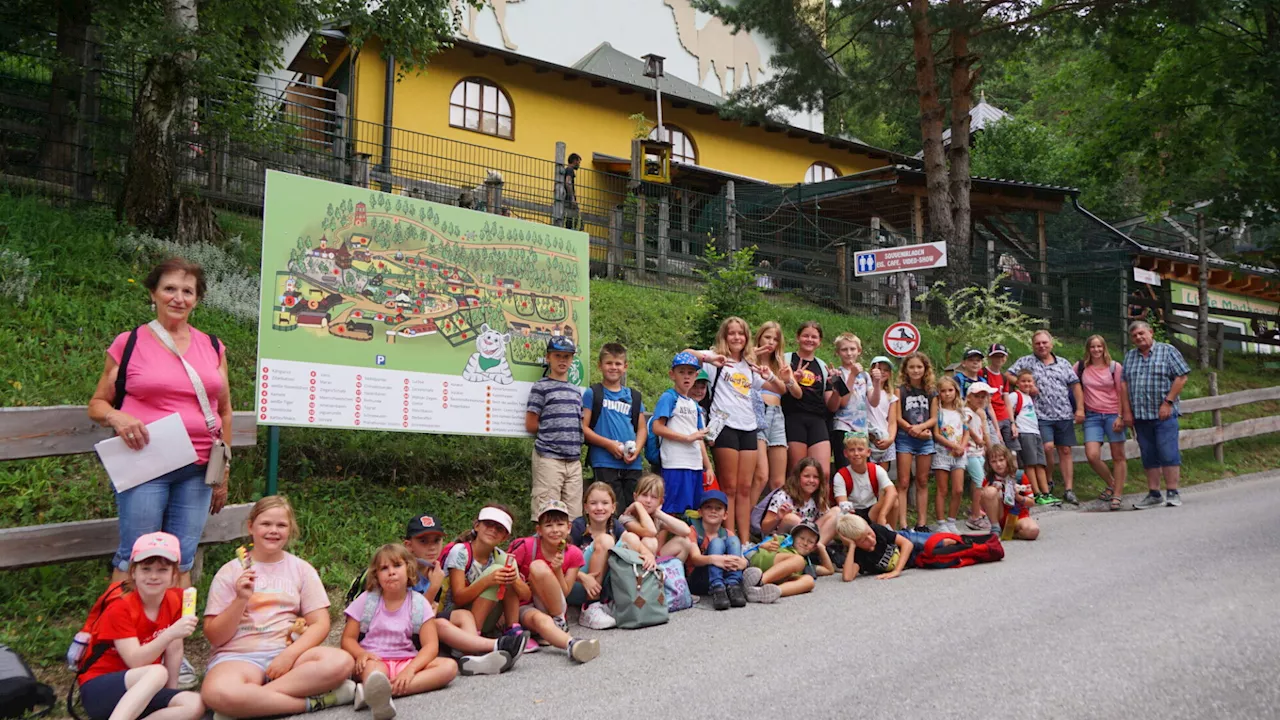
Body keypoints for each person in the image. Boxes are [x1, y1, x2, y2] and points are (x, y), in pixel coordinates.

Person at [87, 259, 232, 598]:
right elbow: (96, 404)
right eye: (169, 289)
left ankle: (171, 641)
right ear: (153, 293)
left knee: (182, 557)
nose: (178, 298)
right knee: (136, 555)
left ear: (197, 299)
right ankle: (116, 639)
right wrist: (117, 417)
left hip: (198, 468)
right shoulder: (131, 342)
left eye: (187, 291)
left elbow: (224, 411)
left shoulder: (212, 346)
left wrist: (223, 469)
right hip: (145, 465)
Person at [201, 496, 356, 719]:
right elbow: (215, 636)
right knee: (217, 691)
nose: (273, 530)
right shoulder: (230, 571)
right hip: (239, 657)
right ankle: (314, 702)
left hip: (288, 654)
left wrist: (289, 655)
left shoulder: (301, 569)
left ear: (290, 529)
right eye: (266, 524)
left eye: (281, 525)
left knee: (341, 662)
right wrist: (240, 599)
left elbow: (320, 623)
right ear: (251, 526)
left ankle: (246, 704)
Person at [74, 532, 204, 720]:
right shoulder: (120, 607)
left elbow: (174, 650)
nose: (153, 576)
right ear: (133, 572)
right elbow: (135, 661)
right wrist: (170, 633)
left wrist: (170, 693)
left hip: (145, 687)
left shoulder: (176, 600)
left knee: (195, 704)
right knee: (158, 672)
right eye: (146, 569)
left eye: (162, 570)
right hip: (101, 689)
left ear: (174, 575)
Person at [684, 318, 784, 539]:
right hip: (725, 427)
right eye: (732, 333)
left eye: (741, 333)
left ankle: (745, 540)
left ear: (747, 337)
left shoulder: (750, 364)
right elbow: (686, 353)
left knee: (745, 488)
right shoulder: (715, 361)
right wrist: (710, 358)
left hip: (748, 427)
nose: (737, 337)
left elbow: (779, 388)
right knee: (728, 487)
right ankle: (729, 537)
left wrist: (773, 376)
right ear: (724, 336)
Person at [340, 545, 456, 720]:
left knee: (449, 667)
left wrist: (410, 670)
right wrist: (361, 654)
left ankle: (378, 693)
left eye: (397, 566)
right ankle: (378, 690)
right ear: (376, 575)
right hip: (375, 659)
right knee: (374, 671)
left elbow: (431, 645)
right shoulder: (367, 600)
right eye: (384, 568)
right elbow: (348, 638)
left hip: (406, 660)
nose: (391, 572)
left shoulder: (419, 603)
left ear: (409, 569)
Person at [399, 514, 523, 676]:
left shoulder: (433, 568)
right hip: (403, 633)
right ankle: (497, 645)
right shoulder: (402, 572)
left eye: (436, 541)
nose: (431, 547)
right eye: (423, 541)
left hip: (424, 625)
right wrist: (434, 587)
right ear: (408, 546)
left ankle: (472, 657)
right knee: (440, 624)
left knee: (463, 615)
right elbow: (410, 617)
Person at [507, 500, 602, 663]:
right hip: (525, 605)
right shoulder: (526, 546)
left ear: (569, 527)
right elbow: (507, 570)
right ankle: (573, 644)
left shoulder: (573, 553)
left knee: (538, 567)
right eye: (549, 525)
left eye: (560, 524)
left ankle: (558, 623)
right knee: (540, 620)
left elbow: (564, 592)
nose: (555, 530)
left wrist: (557, 570)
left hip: (553, 605)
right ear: (539, 530)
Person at [1008, 330, 1085, 505]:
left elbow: (1075, 386)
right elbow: (1009, 374)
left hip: (1063, 413)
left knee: (1065, 450)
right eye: (1037, 343)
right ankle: (1048, 483)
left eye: (1044, 343)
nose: (1041, 346)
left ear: (1051, 344)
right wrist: (1024, 385)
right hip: (1039, 415)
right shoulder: (1026, 361)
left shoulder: (1063, 363)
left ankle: (1068, 489)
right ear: (1033, 345)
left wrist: (1080, 409)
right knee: (1047, 448)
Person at [1123, 321, 1192, 509]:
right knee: (1148, 454)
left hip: (1164, 414)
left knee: (1168, 452)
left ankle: (1172, 492)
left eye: (1141, 333)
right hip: (1140, 415)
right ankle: (1154, 494)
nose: (1138, 337)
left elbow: (1182, 376)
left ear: (1151, 332)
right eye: (1134, 335)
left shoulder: (1167, 351)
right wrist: (1127, 411)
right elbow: (1124, 384)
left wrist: (1168, 402)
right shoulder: (1130, 357)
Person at [437, 506, 527, 649]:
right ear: (477, 526)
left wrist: (514, 579)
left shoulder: (502, 557)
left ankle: (512, 630)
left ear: (505, 537)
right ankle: (473, 638)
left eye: (499, 528)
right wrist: (488, 580)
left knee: (505, 573)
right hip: (455, 618)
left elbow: (526, 595)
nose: (493, 530)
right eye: (488, 524)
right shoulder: (460, 552)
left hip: (486, 617)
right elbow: (458, 598)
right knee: (498, 571)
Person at [569, 482, 649, 630]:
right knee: (606, 541)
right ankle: (590, 607)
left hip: (601, 585)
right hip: (578, 583)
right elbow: (563, 563)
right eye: (593, 503)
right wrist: (582, 577)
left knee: (631, 538)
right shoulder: (578, 526)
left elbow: (635, 541)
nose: (599, 508)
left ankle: (616, 599)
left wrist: (647, 554)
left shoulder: (614, 525)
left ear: (613, 508)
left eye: (605, 503)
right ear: (586, 507)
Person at [526, 335, 584, 519]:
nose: (562, 360)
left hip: (574, 461)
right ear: (548, 357)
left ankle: (570, 548)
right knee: (547, 514)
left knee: (574, 517)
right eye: (557, 355)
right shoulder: (541, 387)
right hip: (548, 458)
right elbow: (531, 423)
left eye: (566, 357)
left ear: (572, 359)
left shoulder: (576, 390)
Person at [582, 342, 646, 509]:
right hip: (604, 461)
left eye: (618, 364)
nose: (613, 367)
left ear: (625, 367)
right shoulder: (593, 393)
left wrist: (637, 449)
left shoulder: (634, 396)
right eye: (609, 363)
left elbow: (641, 428)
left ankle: (631, 536)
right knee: (609, 509)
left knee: (634, 508)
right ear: (600, 366)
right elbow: (584, 428)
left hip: (632, 462)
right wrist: (608, 444)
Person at [650, 352, 714, 518]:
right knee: (670, 510)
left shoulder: (695, 405)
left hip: (694, 464)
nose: (686, 377)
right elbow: (657, 427)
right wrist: (686, 438)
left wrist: (708, 466)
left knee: (692, 511)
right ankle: (660, 544)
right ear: (672, 374)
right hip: (675, 463)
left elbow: (698, 437)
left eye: (691, 373)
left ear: (696, 375)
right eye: (682, 372)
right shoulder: (669, 397)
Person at [1077, 335, 1130, 511]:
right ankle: (1112, 483)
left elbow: (1122, 391)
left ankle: (1117, 494)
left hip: (1112, 414)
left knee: (1118, 455)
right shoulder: (1081, 367)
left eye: (1099, 346)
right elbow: (1071, 383)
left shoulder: (1114, 367)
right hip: (1092, 416)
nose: (1096, 350)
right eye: (1093, 347)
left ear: (1104, 348)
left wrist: (1121, 416)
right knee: (1092, 455)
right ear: (1088, 349)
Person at [781, 321, 833, 479]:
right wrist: (792, 379)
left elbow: (830, 403)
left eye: (814, 337)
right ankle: (796, 504)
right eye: (805, 335)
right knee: (798, 471)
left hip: (817, 419)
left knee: (823, 472)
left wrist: (837, 384)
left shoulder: (822, 366)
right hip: (793, 416)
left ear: (819, 342)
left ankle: (819, 504)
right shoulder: (786, 359)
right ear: (798, 338)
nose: (809, 340)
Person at [895, 352, 937, 532]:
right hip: (905, 437)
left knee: (922, 480)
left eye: (919, 367)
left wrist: (920, 429)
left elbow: (934, 418)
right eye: (911, 367)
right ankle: (903, 523)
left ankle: (921, 523)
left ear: (925, 369)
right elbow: (897, 417)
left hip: (925, 438)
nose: (915, 370)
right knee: (903, 481)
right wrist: (912, 429)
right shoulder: (901, 390)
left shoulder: (930, 391)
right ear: (905, 369)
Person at [685, 490, 748, 610]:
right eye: (708, 507)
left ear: (725, 515)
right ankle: (717, 588)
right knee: (717, 542)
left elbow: (743, 559)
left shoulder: (727, 533)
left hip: (724, 575)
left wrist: (742, 563)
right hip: (698, 579)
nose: (713, 511)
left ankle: (733, 586)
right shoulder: (693, 531)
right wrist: (714, 559)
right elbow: (695, 559)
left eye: (718, 508)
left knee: (733, 540)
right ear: (700, 512)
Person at [755, 457, 840, 545]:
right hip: (782, 540)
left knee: (837, 511)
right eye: (806, 476)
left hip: (808, 537)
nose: (811, 480)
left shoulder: (817, 498)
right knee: (791, 518)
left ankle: (816, 547)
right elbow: (764, 528)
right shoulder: (782, 496)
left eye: (816, 477)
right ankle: (812, 547)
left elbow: (828, 523)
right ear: (797, 477)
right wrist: (778, 518)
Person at [751, 321, 790, 511]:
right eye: (767, 337)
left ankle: (768, 521)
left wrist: (775, 377)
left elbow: (783, 389)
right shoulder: (749, 357)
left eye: (775, 339)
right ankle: (745, 519)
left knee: (778, 480)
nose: (771, 342)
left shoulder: (779, 363)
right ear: (759, 337)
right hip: (758, 412)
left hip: (777, 414)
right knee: (761, 476)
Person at [742, 521, 833, 602]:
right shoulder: (782, 540)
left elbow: (829, 570)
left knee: (809, 581)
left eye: (810, 542)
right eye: (802, 538)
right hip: (761, 563)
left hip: (778, 578)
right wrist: (764, 545)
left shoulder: (807, 563)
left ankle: (768, 592)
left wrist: (821, 548)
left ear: (814, 548)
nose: (805, 543)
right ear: (793, 538)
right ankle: (759, 582)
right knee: (798, 560)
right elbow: (751, 550)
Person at [619, 473, 695, 558]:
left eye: (654, 497)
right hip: (630, 560)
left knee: (684, 542)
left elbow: (686, 531)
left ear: (661, 501)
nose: (648, 500)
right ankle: (646, 571)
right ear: (635, 497)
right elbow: (650, 532)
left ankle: (667, 570)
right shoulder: (626, 517)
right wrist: (638, 506)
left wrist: (659, 513)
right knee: (650, 541)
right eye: (644, 495)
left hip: (653, 558)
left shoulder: (657, 517)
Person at [1009, 371, 1056, 504]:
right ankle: (1036, 493)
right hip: (1024, 432)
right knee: (1030, 464)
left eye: (1029, 381)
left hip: (1035, 432)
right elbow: (1009, 412)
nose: (1027, 384)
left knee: (1040, 464)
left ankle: (1046, 493)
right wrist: (1014, 426)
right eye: (1023, 381)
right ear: (1017, 383)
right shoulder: (1015, 396)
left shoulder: (1029, 397)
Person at [831, 435, 897, 527]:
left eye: (860, 449)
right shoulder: (841, 476)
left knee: (893, 501)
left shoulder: (876, 469)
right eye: (852, 450)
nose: (856, 453)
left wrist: (882, 515)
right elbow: (843, 505)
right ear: (845, 453)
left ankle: (891, 534)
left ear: (868, 452)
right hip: (853, 512)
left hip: (872, 510)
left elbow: (892, 492)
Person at [828, 333, 870, 472]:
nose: (849, 353)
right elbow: (843, 402)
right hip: (843, 426)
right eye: (844, 350)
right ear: (837, 352)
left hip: (862, 429)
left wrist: (876, 382)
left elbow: (873, 402)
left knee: (862, 469)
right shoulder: (837, 374)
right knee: (845, 469)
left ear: (859, 351)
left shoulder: (865, 375)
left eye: (852, 349)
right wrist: (852, 375)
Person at [931, 377, 967, 534]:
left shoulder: (960, 410)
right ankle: (941, 522)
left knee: (958, 489)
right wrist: (953, 446)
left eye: (950, 390)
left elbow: (966, 431)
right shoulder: (939, 411)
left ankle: (952, 520)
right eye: (943, 391)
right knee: (942, 489)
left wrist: (962, 446)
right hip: (942, 452)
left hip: (959, 453)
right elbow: (936, 434)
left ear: (956, 391)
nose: (947, 394)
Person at [981, 445, 1039, 540]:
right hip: (999, 514)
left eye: (1001, 460)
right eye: (994, 462)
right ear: (989, 464)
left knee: (1033, 531)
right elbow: (982, 506)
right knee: (989, 491)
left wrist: (1017, 496)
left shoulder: (1020, 476)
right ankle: (996, 528)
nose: (998, 464)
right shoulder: (989, 479)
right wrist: (991, 493)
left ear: (1007, 459)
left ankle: (1012, 534)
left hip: (1018, 515)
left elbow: (1032, 502)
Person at [835, 514, 916, 582]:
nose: (871, 539)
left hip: (909, 539)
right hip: (917, 561)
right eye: (864, 540)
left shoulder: (877, 530)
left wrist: (897, 571)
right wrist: (852, 546)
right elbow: (847, 577)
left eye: (869, 533)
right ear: (856, 544)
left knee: (928, 545)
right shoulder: (859, 554)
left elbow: (907, 544)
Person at [962, 383, 994, 531]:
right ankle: (974, 517)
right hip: (970, 452)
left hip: (978, 452)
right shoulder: (967, 411)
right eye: (977, 396)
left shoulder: (978, 412)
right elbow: (964, 425)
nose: (980, 399)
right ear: (969, 397)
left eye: (983, 397)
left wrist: (987, 447)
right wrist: (975, 437)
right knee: (979, 482)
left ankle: (976, 509)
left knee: (980, 482)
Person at [865, 356, 899, 472]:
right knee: (868, 473)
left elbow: (892, 422)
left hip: (884, 437)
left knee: (882, 475)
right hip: (868, 437)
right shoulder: (864, 391)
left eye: (886, 370)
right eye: (879, 369)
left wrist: (890, 439)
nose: (882, 372)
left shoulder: (891, 396)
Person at [980, 343, 1016, 449]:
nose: (999, 359)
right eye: (996, 356)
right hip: (991, 416)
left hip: (1004, 416)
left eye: (1002, 356)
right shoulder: (982, 373)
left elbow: (1007, 401)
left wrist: (1012, 422)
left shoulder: (1004, 377)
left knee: (1013, 450)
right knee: (997, 448)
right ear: (990, 357)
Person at [561, 153, 581, 229]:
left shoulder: (567, 169)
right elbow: (568, 182)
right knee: (574, 219)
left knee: (569, 219)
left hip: (566, 198)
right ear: (574, 161)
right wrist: (572, 199)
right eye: (578, 162)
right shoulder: (570, 170)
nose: (579, 165)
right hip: (568, 199)